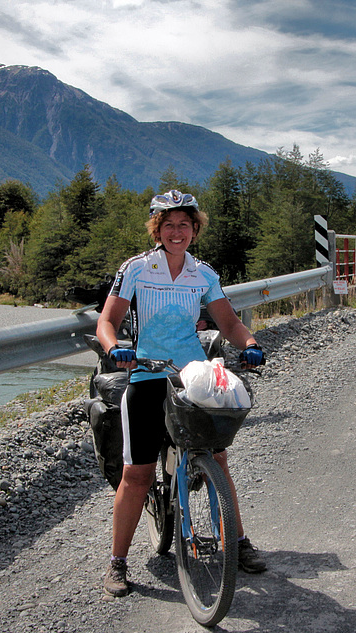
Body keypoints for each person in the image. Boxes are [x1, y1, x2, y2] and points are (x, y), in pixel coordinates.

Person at [96, 189, 267, 597]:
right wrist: (114, 347)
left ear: (194, 229)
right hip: (145, 373)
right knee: (136, 473)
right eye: (169, 224)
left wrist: (249, 344)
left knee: (217, 459)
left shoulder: (203, 274)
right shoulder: (137, 269)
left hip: (191, 375)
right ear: (158, 229)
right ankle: (117, 563)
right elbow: (108, 321)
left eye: (184, 225)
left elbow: (229, 323)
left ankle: (237, 543)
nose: (177, 231)